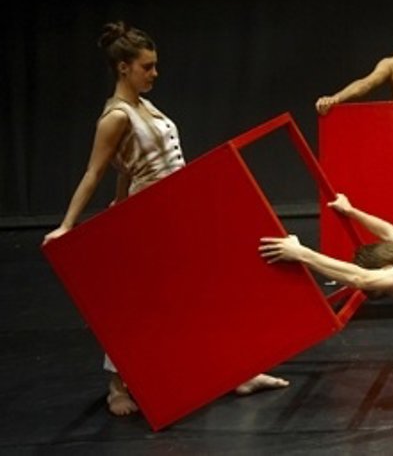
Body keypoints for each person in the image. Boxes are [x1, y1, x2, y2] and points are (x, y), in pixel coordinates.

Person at [43, 22, 288, 417]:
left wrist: (121, 199)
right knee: (143, 300)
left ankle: (235, 372)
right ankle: (117, 385)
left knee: (205, 288)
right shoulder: (115, 116)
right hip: (153, 215)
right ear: (123, 67)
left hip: (178, 207)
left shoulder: (144, 105)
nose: (154, 73)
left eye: (154, 65)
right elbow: (95, 171)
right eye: (147, 66)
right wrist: (67, 226)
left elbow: (126, 165)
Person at [259, 193, 393, 301]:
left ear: (386, 269)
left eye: (388, 290)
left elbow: (362, 278)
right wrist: (351, 211)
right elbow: (388, 232)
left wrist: (301, 254)